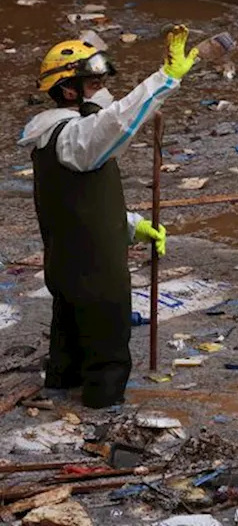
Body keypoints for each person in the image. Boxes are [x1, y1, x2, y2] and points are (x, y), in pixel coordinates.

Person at [18, 27, 198, 408]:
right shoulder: (74, 137)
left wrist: (131, 226)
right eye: (94, 82)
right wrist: (165, 79)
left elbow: (78, 204)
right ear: (69, 91)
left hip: (68, 266)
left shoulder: (54, 139)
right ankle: (102, 409)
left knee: (69, 329)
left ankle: (59, 387)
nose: (102, 90)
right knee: (108, 344)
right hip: (96, 270)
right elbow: (117, 122)